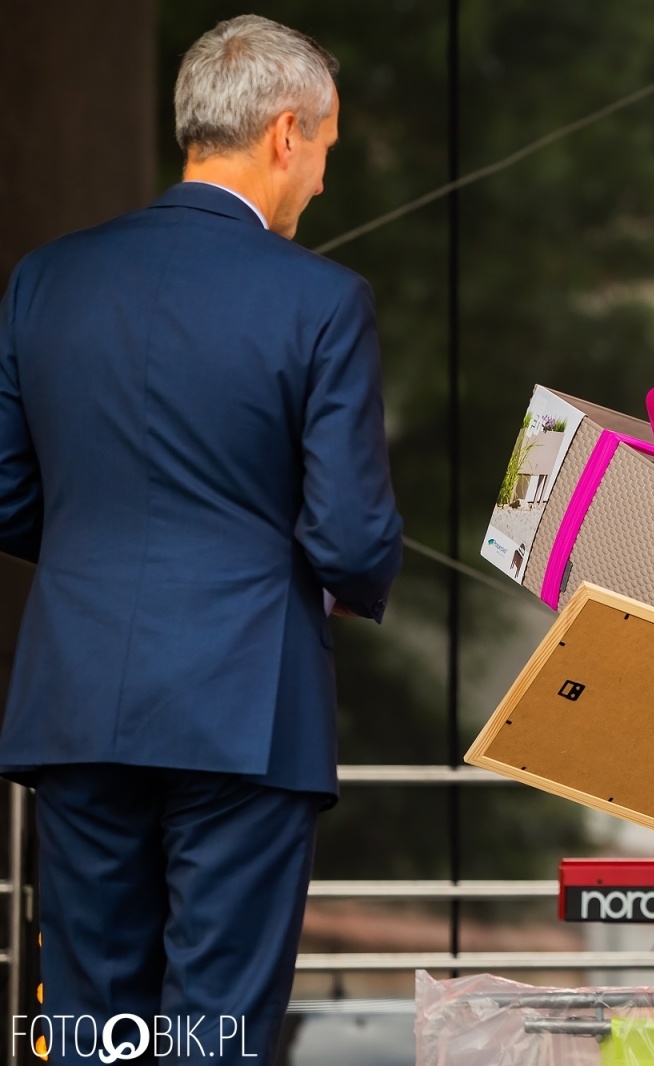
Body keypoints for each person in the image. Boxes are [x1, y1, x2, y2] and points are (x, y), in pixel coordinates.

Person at [0, 15, 403, 1062]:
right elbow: (351, 531)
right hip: (245, 701)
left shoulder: (47, 278)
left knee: (92, 1020)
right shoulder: (321, 298)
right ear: (283, 134)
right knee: (216, 1022)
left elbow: (5, 493)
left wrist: (105, 561)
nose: (319, 181)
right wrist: (338, 584)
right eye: (323, 152)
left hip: (78, 694)